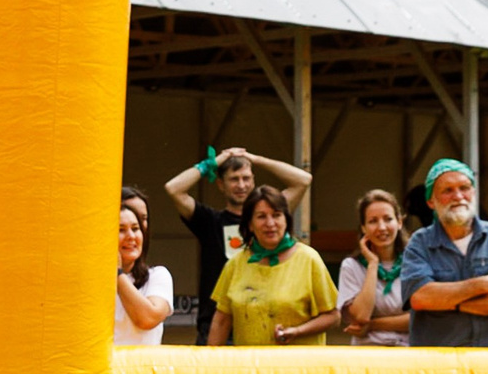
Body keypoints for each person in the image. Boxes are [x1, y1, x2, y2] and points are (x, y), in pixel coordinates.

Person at [167, 145, 313, 345]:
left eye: (246, 178)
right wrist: (214, 162)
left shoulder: (268, 219)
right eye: (234, 179)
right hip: (216, 326)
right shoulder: (210, 220)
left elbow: (303, 180)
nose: (241, 185)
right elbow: (174, 189)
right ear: (221, 184)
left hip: (261, 325)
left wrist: (256, 159)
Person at [399, 159, 488, 347]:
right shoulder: (419, 243)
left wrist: (450, 302)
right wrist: (480, 285)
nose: (458, 196)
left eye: (464, 188)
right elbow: (420, 298)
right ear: (431, 202)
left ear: (474, 193)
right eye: (448, 190)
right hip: (437, 360)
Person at [206, 186, 338, 346]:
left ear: (286, 220)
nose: (270, 223)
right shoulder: (235, 264)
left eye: (276, 215)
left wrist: (297, 331)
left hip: (299, 361)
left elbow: (333, 316)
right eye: (261, 216)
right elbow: (221, 321)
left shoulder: (309, 259)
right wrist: (210, 358)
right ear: (250, 224)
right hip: (250, 361)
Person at [338, 188, 411, 346]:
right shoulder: (351, 266)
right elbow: (361, 317)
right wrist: (372, 264)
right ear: (363, 228)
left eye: (388, 219)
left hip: (409, 352)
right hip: (368, 352)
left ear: (399, 222)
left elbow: (420, 319)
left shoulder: (415, 262)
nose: (382, 227)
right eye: (373, 221)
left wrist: (372, 325)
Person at [116, 201, 173, 347]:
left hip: (142, 362)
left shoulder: (157, 275)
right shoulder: (90, 281)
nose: (131, 236)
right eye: (121, 230)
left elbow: (148, 319)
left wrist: (117, 273)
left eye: (135, 229)